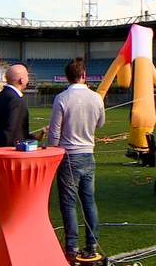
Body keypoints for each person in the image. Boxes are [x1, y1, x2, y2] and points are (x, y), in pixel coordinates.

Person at [48, 58, 105, 261]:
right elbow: (100, 123)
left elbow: (54, 133)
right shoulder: (97, 97)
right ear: (84, 75)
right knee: (89, 201)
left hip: (69, 156)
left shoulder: (62, 98)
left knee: (69, 204)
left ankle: (72, 247)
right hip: (88, 154)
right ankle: (92, 244)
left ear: (67, 76)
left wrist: (51, 150)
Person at [0, 64, 41, 147]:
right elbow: (12, 132)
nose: (28, 79)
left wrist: (32, 137)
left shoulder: (2, 95)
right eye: (27, 76)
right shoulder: (16, 100)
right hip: (11, 152)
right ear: (21, 80)